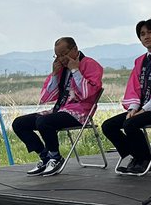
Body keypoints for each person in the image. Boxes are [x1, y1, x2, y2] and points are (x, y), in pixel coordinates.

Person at [11, 38, 104, 176]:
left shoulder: (90, 64)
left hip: (80, 112)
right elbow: (46, 97)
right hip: (60, 109)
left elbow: (87, 93)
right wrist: (55, 74)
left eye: (64, 54)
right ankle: (45, 157)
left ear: (75, 49)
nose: (61, 59)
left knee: (43, 121)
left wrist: (75, 70)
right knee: (19, 123)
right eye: (57, 56)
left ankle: (55, 157)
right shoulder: (61, 68)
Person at [103, 19, 151, 174]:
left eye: (150, 32)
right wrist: (133, 108)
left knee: (130, 124)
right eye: (142, 34)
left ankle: (145, 160)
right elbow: (134, 88)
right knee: (108, 126)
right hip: (142, 107)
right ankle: (135, 155)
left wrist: (143, 110)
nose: (146, 36)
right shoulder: (140, 61)